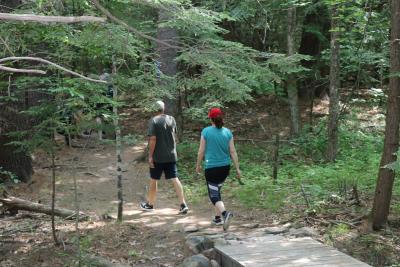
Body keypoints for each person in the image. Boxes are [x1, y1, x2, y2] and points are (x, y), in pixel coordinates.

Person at [196, 107, 241, 231]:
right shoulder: (227, 132)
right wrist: (237, 168)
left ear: (210, 118)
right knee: (217, 190)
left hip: (211, 168)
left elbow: (201, 151)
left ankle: (225, 214)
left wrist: (198, 165)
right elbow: (232, 151)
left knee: (213, 195)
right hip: (225, 168)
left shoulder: (206, 131)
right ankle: (217, 218)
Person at [140, 100, 189, 214]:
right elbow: (174, 135)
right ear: (163, 109)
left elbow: (153, 139)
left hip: (158, 157)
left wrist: (150, 156)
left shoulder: (154, 121)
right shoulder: (172, 119)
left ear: (154, 110)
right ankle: (183, 204)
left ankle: (150, 205)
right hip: (171, 155)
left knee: (154, 179)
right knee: (174, 178)